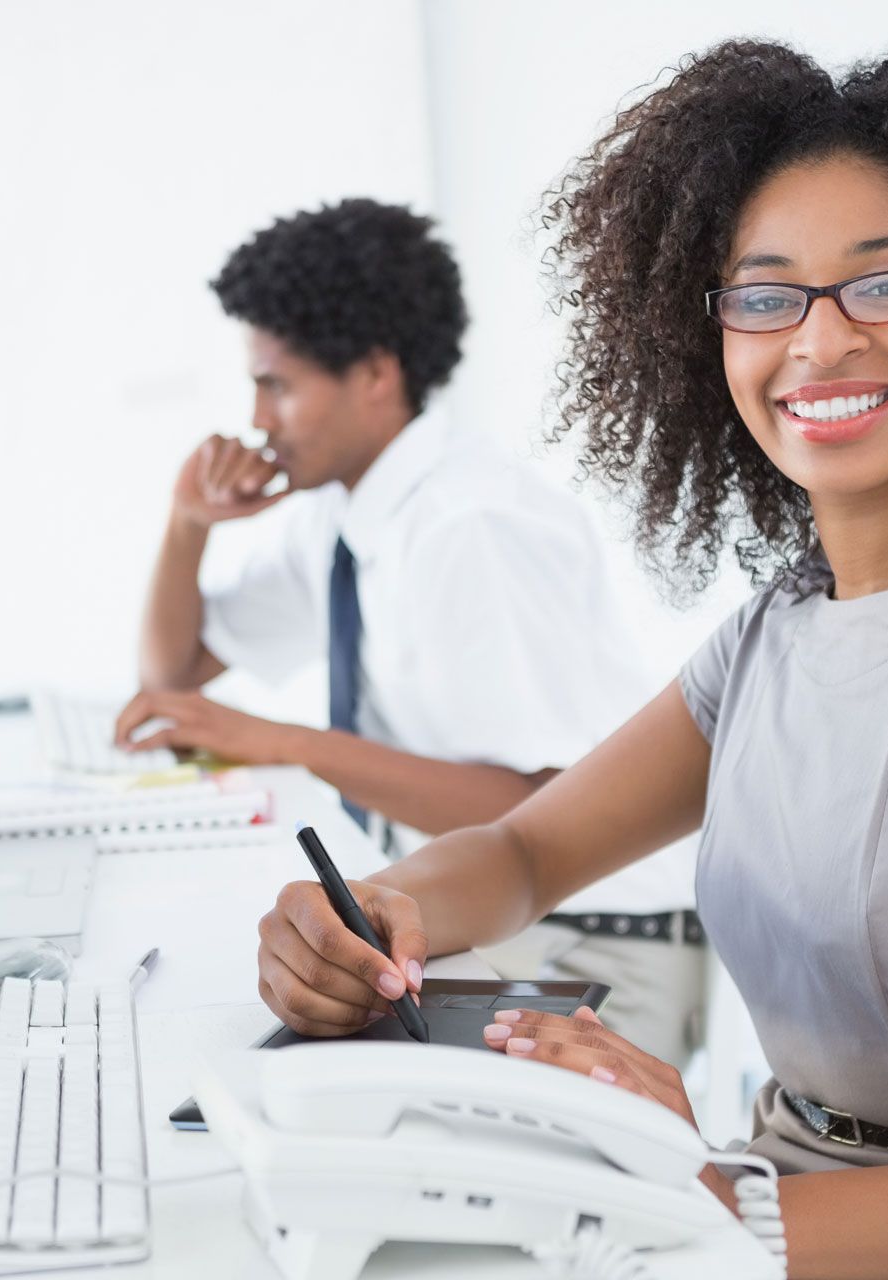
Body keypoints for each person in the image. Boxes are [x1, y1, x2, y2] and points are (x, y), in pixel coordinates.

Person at [253, 41, 888, 1280]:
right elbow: (527, 851)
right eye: (767, 294)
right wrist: (382, 911)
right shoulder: (774, 632)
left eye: (886, 285)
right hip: (751, 1207)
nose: (820, 343)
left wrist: (734, 1211)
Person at [120, 198, 702, 1062]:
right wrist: (187, 521)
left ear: (376, 374)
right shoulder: (347, 515)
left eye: (276, 383)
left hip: (597, 938)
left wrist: (280, 742)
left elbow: (531, 806)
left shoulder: (469, 525)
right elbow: (172, 675)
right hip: (486, 919)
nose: (257, 417)